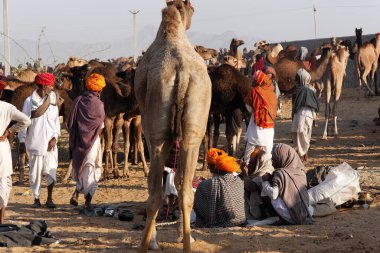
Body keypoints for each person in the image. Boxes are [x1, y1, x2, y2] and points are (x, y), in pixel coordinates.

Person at [18, 73, 60, 208]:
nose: (52, 87)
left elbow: (56, 121)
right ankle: (36, 199)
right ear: (42, 86)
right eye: (49, 85)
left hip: (51, 143)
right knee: (35, 174)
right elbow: (24, 122)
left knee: (51, 171)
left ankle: (49, 198)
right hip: (35, 143)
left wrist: (55, 137)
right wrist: (22, 141)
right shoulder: (29, 102)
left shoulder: (53, 100)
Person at [68, 73, 106, 214]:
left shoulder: (78, 100)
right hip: (93, 142)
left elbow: (70, 122)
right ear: (99, 89)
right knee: (92, 170)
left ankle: (77, 192)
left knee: (83, 170)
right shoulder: (99, 105)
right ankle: (88, 203)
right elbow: (100, 127)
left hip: (79, 141)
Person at [261, 143, 313, 225]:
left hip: (292, 216)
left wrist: (265, 181)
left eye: (274, 159)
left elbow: (273, 194)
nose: (272, 162)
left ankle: (283, 218)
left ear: (282, 158)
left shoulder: (280, 173)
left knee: (272, 195)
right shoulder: (300, 171)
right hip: (306, 212)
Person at [0, 85, 31, 223]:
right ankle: (1, 219)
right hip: (1, 149)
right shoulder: (7, 107)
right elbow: (26, 120)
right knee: (3, 184)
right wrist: (9, 131)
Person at [193, 148, 246, 227]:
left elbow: (199, 209)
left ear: (216, 168)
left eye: (210, 165)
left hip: (221, 223)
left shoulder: (205, 184)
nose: (208, 167)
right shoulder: (239, 181)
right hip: (241, 221)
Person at [243, 70, 278, 164]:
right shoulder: (273, 94)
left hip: (256, 124)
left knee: (250, 150)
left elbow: (249, 108)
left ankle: (247, 168)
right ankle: (265, 169)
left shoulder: (254, 91)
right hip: (269, 128)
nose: (254, 81)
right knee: (267, 151)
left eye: (255, 79)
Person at [291, 68, 319, 162]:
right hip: (310, 115)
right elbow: (315, 106)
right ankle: (304, 156)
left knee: (299, 134)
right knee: (306, 136)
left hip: (301, 114)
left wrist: (293, 116)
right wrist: (315, 119)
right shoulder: (313, 90)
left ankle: (302, 156)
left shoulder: (300, 90)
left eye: (297, 78)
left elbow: (295, 105)